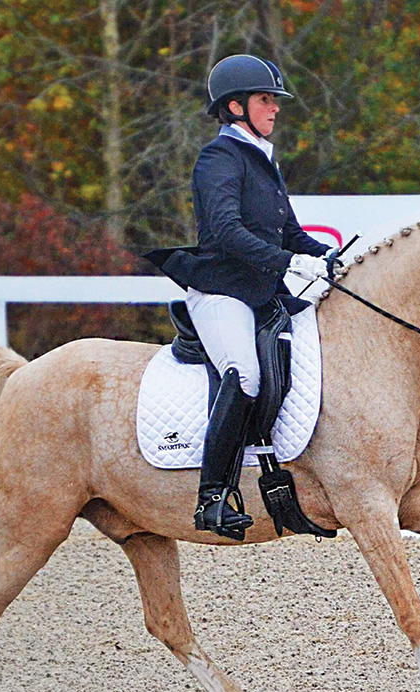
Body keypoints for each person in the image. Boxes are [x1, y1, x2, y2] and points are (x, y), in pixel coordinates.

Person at [156, 54, 334, 538]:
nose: (275, 109)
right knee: (246, 375)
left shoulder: (262, 158)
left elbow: (292, 233)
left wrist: (333, 257)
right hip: (221, 291)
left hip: (261, 294)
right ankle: (211, 498)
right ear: (235, 106)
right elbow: (227, 231)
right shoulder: (219, 158)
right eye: (265, 100)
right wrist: (287, 262)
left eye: (274, 100)